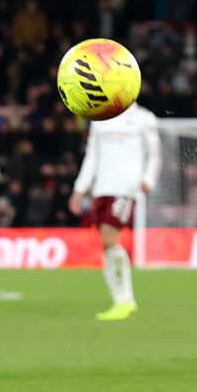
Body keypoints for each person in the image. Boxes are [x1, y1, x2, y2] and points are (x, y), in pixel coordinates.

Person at [69, 102, 160, 320]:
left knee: (110, 240)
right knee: (108, 245)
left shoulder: (143, 117)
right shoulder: (100, 118)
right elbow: (92, 156)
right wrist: (79, 189)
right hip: (101, 189)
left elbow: (155, 153)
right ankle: (121, 300)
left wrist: (148, 180)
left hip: (126, 189)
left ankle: (125, 300)